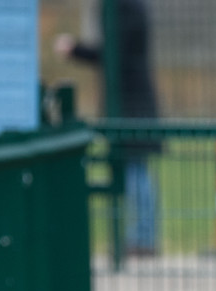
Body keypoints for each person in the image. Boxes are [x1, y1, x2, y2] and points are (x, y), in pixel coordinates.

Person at [54, 0, 161, 256]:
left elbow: (113, 54)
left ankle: (143, 239)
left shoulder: (127, 9)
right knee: (131, 170)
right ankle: (138, 237)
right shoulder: (123, 8)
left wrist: (75, 49)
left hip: (133, 105)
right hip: (127, 103)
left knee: (136, 170)